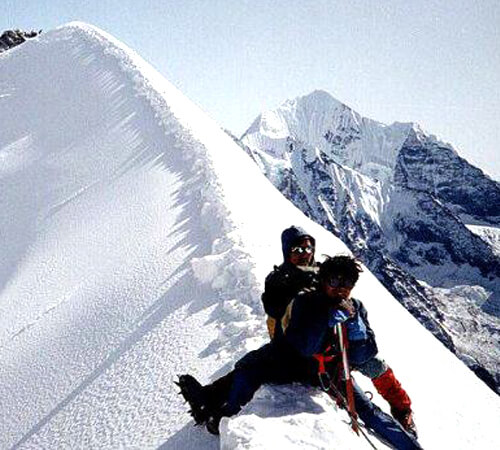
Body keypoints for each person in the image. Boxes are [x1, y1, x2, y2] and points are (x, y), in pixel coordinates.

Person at [177, 256, 421, 449]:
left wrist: (357, 330)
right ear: (323, 281)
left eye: (346, 284)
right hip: (296, 364)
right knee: (247, 371)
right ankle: (224, 416)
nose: (340, 289)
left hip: (332, 370)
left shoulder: (355, 308)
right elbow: (304, 346)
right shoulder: (306, 302)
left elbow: (365, 354)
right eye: (335, 282)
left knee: (369, 412)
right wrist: (326, 320)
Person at [261, 225, 319, 339]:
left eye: (308, 248)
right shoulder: (276, 280)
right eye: (298, 250)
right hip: (289, 343)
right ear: (287, 252)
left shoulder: (323, 274)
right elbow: (274, 311)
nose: (305, 254)